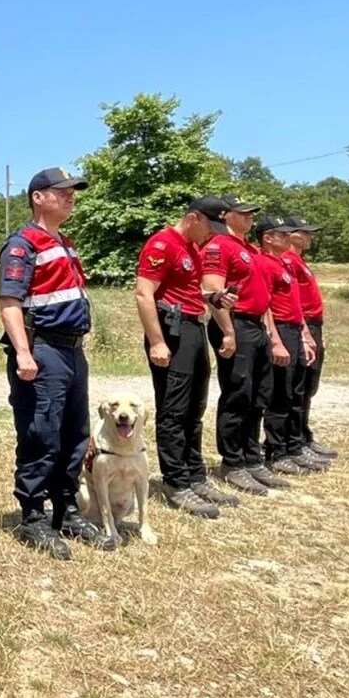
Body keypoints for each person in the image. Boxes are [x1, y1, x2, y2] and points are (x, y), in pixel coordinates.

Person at [0, 166, 101, 556]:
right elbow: (9, 301)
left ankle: (66, 508)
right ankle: (33, 515)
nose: (70, 197)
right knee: (41, 431)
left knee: (75, 431)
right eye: (62, 192)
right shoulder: (23, 243)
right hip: (44, 350)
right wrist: (23, 351)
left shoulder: (65, 242)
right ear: (38, 197)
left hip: (72, 349)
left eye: (73, 192)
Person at [133, 197, 227, 519]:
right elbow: (144, 293)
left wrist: (213, 297)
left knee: (194, 409)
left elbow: (186, 289)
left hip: (194, 327)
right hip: (173, 333)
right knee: (174, 410)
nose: (213, 235)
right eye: (211, 227)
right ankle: (176, 483)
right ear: (193, 217)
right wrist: (157, 342)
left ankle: (194, 475)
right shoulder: (163, 244)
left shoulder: (192, 248)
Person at [200, 199, 290, 497]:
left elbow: (263, 293)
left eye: (253, 213)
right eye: (244, 213)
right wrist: (228, 331)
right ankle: (233, 462)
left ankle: (252, 458)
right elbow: (214, 291)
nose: (251, 217)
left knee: (259, 395)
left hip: (257, 325)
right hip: (236, 324)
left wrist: (269, 332)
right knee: (238, 394)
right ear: (227, 216)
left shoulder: (249, 248)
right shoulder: (219, 245)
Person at [253, 214, 325, 476]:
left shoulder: (281, 263)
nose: (288, 237)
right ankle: (276, 451)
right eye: (282, 234)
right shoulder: (267, 263)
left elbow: (295, 304)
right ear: (268, 238)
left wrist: (305, 333)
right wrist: (276, 340)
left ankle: (291, 446)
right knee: (280, 394)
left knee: (294, 390)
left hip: (294, 328)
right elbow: (267, 304)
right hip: (280, 329)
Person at [284, 217, 338, 462]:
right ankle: (293, 439)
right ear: (292, 235)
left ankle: (303, 434)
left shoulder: (299, 260)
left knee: (308, 384)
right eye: (304, 232)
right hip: (300, 323)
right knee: (298, 385)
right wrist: (304, 330)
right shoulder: (287, 260)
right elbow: (292, 299)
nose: (309, 237)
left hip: (312, 324)